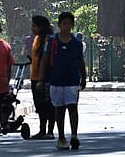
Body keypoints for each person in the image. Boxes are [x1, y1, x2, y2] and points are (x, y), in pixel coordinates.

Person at [38, 11, 86, 151]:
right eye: (64, 24)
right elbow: (45, 60)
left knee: (72, 107)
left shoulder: (77, 44)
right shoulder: (52, 42)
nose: (67, 26)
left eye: (70, 24)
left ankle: (74, 135)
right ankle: (61, 137)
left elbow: (80, 61)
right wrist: (41, 80)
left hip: (72, 80)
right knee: (59, 109)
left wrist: (84, 77)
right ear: (59, 25)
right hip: (56, 80)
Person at [28, 15, 55, 140]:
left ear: (41, 27)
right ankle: (42, 130)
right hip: (34, 77)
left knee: (48, 104)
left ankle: (50, 130)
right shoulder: (37, 39)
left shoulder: (48, 40)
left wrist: (42, 79)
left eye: (34, 26)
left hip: (45, 77)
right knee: (39, 105)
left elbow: (46, 60)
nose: (32, 28)